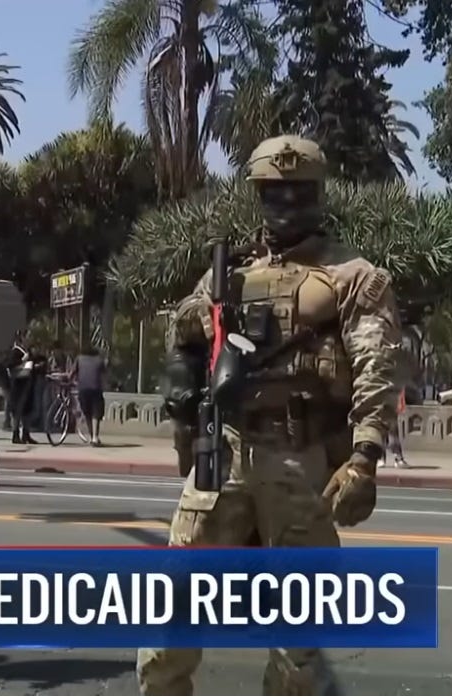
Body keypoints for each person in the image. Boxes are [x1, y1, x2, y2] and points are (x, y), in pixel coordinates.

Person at [140, 134, 403, 695]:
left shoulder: (353, 276)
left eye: (297, 192)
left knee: (298, 638)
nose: (285, 205)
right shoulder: (226, 274)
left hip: (301, 460)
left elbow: (376, 366)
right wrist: (200, 325)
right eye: (273, 193)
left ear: (317, 194)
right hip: (225, 454)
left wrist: (365, 456)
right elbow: (182, 337)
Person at [4, 331, 38, 444]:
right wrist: (23, 360)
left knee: (27, 410)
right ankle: (15, 434)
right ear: (22, 338)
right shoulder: (16, 351)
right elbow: (9, 364)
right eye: (28, 337)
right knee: (17, 411)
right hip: (18, 385)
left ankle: (26, 434)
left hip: (28, 384)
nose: (30, 340)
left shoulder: (29, 352)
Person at [75, 345, 107, 446]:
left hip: (83, 389)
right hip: (96, 388)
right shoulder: (99, 360)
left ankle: (91, 436)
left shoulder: (79, 359)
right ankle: (95, 437)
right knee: (96, 414)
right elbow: (105, 373)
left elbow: (72, 372)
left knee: (88, 413)